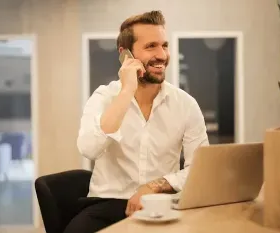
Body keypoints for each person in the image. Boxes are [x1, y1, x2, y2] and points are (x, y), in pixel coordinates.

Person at [65, 10, 209, 233]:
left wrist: (153, 186)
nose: (162, 55)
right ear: (126, 55)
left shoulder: (186, 105)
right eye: (151, 46)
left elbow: (199, 169)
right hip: (106, 205)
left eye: (164, 45)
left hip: (162, 205)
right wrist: (127, 91)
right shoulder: (104, 97)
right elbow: (89, 149)